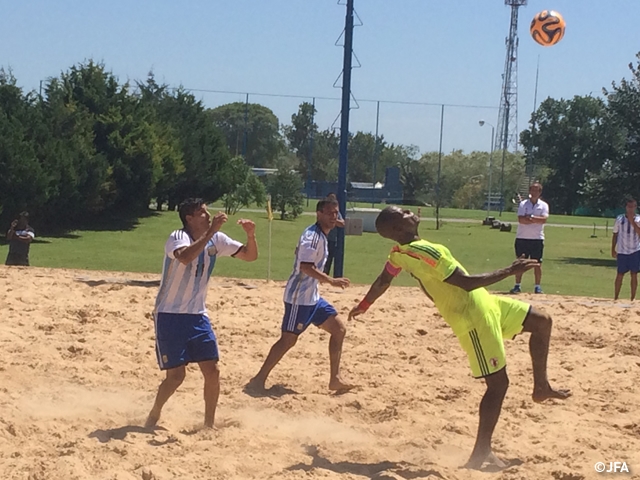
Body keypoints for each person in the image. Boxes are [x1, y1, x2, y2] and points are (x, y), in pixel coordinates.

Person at [349, 206, 570, 470]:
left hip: (487, 304)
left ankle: (541, 387)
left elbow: (383, 280)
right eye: (404, 213)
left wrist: (363, 305)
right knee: (498, 385)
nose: (410, 212)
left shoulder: (398, 254)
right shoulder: (427, 253)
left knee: (542, 321)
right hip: (473, 318)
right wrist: (510, 271)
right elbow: (465, 282)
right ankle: (481, 453)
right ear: (399, 229)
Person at [145, 198, 258, 429]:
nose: (208, 216)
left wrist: (251, 235)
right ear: (189, 218)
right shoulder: (178, 237)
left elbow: (249, 256)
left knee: (213, 370)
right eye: (202, 213)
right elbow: (185, 257)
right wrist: (211, 232)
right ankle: (154, 413)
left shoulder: (216, 239)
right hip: (170, 314)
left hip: (197, 315)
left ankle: (209, 424)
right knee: (176, 377)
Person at [247, 197, 354, 393]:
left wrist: (337, 221)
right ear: (318, 214)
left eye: (335, 213)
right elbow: (305, 267)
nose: (333, 216)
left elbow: (334, 221)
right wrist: (331, 280)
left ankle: (335, 379)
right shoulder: (311, 238)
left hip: (312, 297)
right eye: (329, 213)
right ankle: (258, 379)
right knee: (288, 340)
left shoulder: (323, 231)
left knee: (338, 330)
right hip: (299, 298)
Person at [510, 182, 549, 294]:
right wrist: (535, 219)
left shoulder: (544, 205)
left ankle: (537, 286)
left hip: (537, 239)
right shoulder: (523, 204)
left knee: (537, 264)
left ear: (540, 192)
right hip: (522, 238)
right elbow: (521, 220)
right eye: (532, 190)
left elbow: (543, 220)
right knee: (520, 263)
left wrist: (530, 217)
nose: (534, 192)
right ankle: (517, 285)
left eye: (536, 190)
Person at [611, 196, 640, 301]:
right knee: (620, 274)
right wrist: (613, 249)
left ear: (636, 207)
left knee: (634, 274)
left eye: (633, 206)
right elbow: (615, 234)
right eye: (629, 206)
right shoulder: (619, 219)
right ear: (626, 207)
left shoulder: (638, 219)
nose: (631, 209)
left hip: (635, 250)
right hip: (622, 251)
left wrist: (632, 222)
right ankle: (616, 297)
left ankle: (632, 298)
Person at [323, 193, 345, 276]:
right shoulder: (324, 210)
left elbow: (342, 223)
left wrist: (332, 220)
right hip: (323, 238)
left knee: (330, 258)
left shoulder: (336, 212)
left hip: (332, 239)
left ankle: (326, 276)